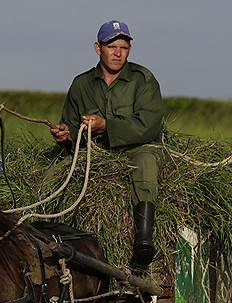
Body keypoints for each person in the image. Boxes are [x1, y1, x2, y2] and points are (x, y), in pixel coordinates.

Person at [51, 20, 164, 269]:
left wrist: (106, 126)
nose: (117, 53)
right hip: (95, 153)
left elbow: (149, 125)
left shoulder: (142, 79)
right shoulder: (81, 84)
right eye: (111, 46)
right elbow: (70, 127)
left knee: (146, 164)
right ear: (97, 48)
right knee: (52, 173)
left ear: (130, 49)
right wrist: (64, 135)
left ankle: (144, 242)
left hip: (137, 147)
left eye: (123, 47)